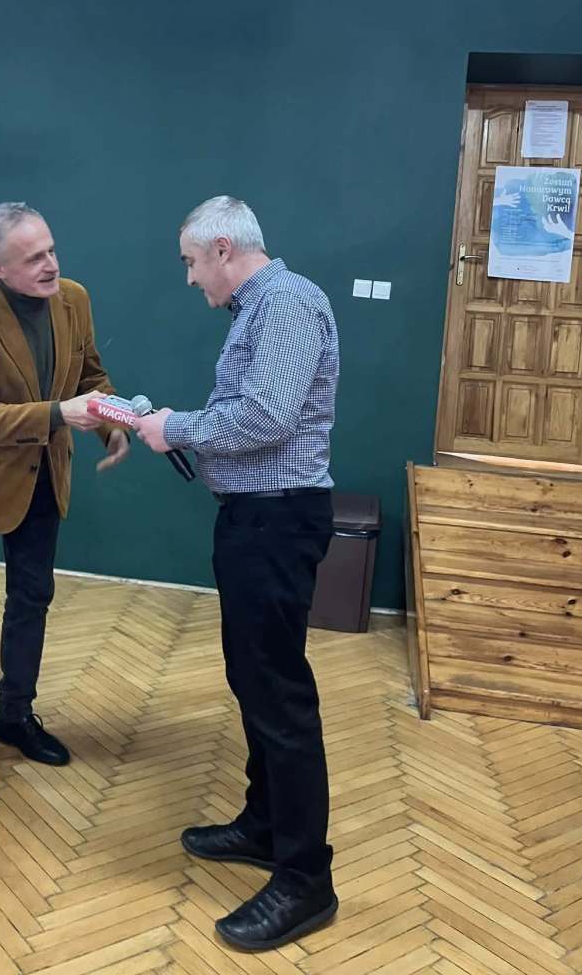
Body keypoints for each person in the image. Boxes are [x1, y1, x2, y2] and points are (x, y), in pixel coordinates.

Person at [135, 196, 340, 951]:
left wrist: (176, 428)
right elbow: (254, 410)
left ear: (223, 249)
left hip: (276, 524)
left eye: (192, 262)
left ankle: (306, 880)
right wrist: (169, 424)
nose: (191, 278)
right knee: (253, 678)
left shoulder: (285, 302)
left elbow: (265, 418)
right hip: (256, 522)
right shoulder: (259, 307)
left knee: (279, 695)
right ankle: (265, 825)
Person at [0, 201, 129, 792]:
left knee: (32, 600)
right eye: (33, 258)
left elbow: (91, 377)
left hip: (44, 477)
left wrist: (115, 424)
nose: (50, 265)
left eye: (51, 250)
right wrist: (58, 414)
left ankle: (15, 716)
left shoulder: (74, 299)